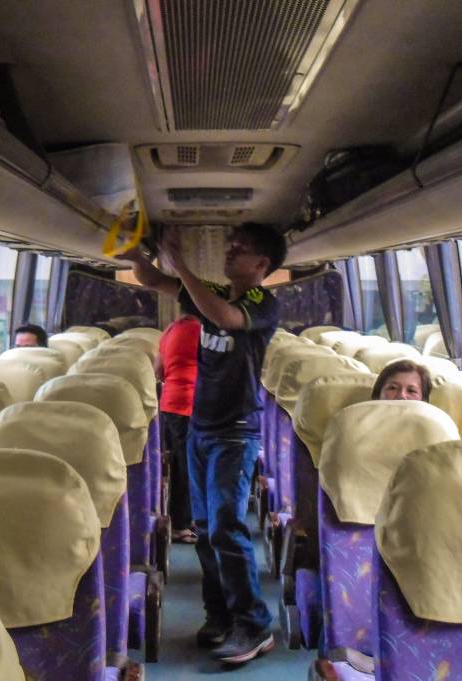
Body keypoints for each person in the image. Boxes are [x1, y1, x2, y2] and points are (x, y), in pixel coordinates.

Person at [118, 223, 286, 666]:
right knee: (208, 531)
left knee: (228, 527)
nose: (230, 253)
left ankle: (253, 624)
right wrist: (140, 258)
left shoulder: (261, 303)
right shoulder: (212, 291)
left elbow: (226, 318)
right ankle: (220, 615)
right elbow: (155, 281)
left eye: (240, 249)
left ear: (262, 265)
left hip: (236, 430)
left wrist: (184, 268)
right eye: (230, 246)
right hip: (200, 427)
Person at [156, 313, 201, 544]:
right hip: (194, 403)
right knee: (189, 466)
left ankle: (183, 520)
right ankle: (183, 524)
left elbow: (159, 370)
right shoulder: (206, 331)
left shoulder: (171, 330)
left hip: (171, 403)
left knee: (178, 463)